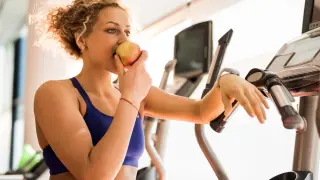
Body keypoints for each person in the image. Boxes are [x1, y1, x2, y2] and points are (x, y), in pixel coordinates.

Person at [33, 0, 269, 180]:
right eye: (112, 30)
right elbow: (96, 174)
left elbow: (201, 111)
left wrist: (226, 81)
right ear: (82, 39)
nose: (123, 40)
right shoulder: (55, 93)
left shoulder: (134, 93)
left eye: (127, 32)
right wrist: (131, 97)